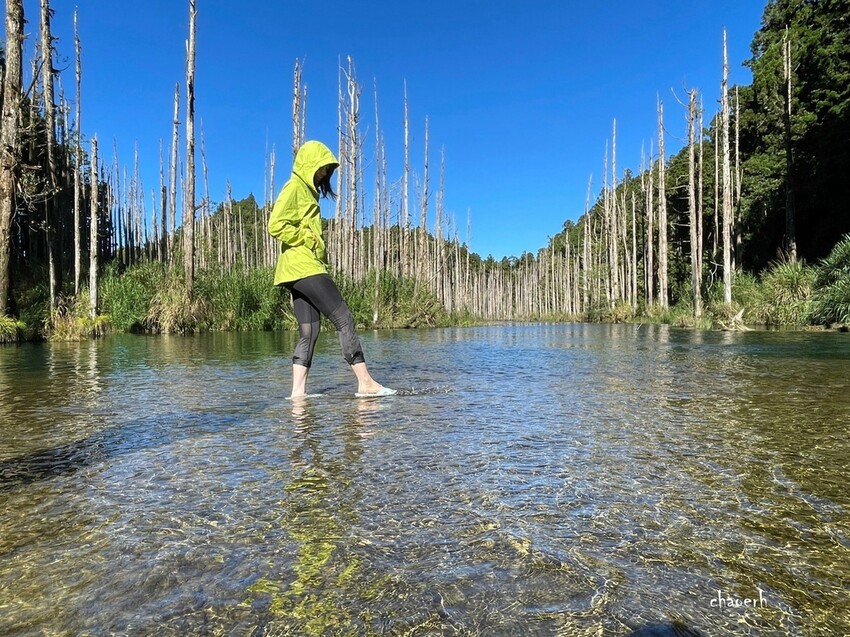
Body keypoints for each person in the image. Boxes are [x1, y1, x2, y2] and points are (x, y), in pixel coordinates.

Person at [268, 140, 396, 399]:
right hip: (304, 266)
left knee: (310, 332)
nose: (324, 174)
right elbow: (275, 224)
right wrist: (308, 238)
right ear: (308, 164)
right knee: (343, 318)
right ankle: (365, 383)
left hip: (293, 272)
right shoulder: (295, 187)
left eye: (327, 170)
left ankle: (297, 394)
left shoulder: (307, 192)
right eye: (321, 169)